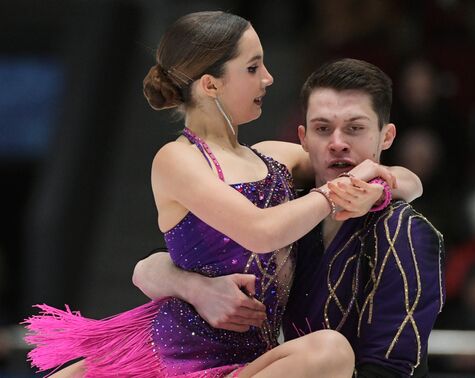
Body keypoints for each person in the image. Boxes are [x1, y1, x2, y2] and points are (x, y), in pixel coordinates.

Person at [22, 12, 420, 378]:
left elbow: (408, 180)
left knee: (330, 352)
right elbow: (261, 231)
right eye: (252, 67)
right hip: (169, 357)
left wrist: (377, 187)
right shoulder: (178, 160)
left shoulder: (275, 156)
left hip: (243, 364)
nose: (268, 78)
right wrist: (335, 194)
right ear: (211, 85)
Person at [135, 59, 444, 377]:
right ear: (304, 139)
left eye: (355, 128)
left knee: (329, 352)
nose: (338, 143)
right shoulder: (286, 208)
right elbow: (150, 267)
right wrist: (193, 286)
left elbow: (393, 369)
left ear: (386, 137)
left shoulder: (404, 231)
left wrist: (380, 188)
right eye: (323, 129)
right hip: (214, 362)